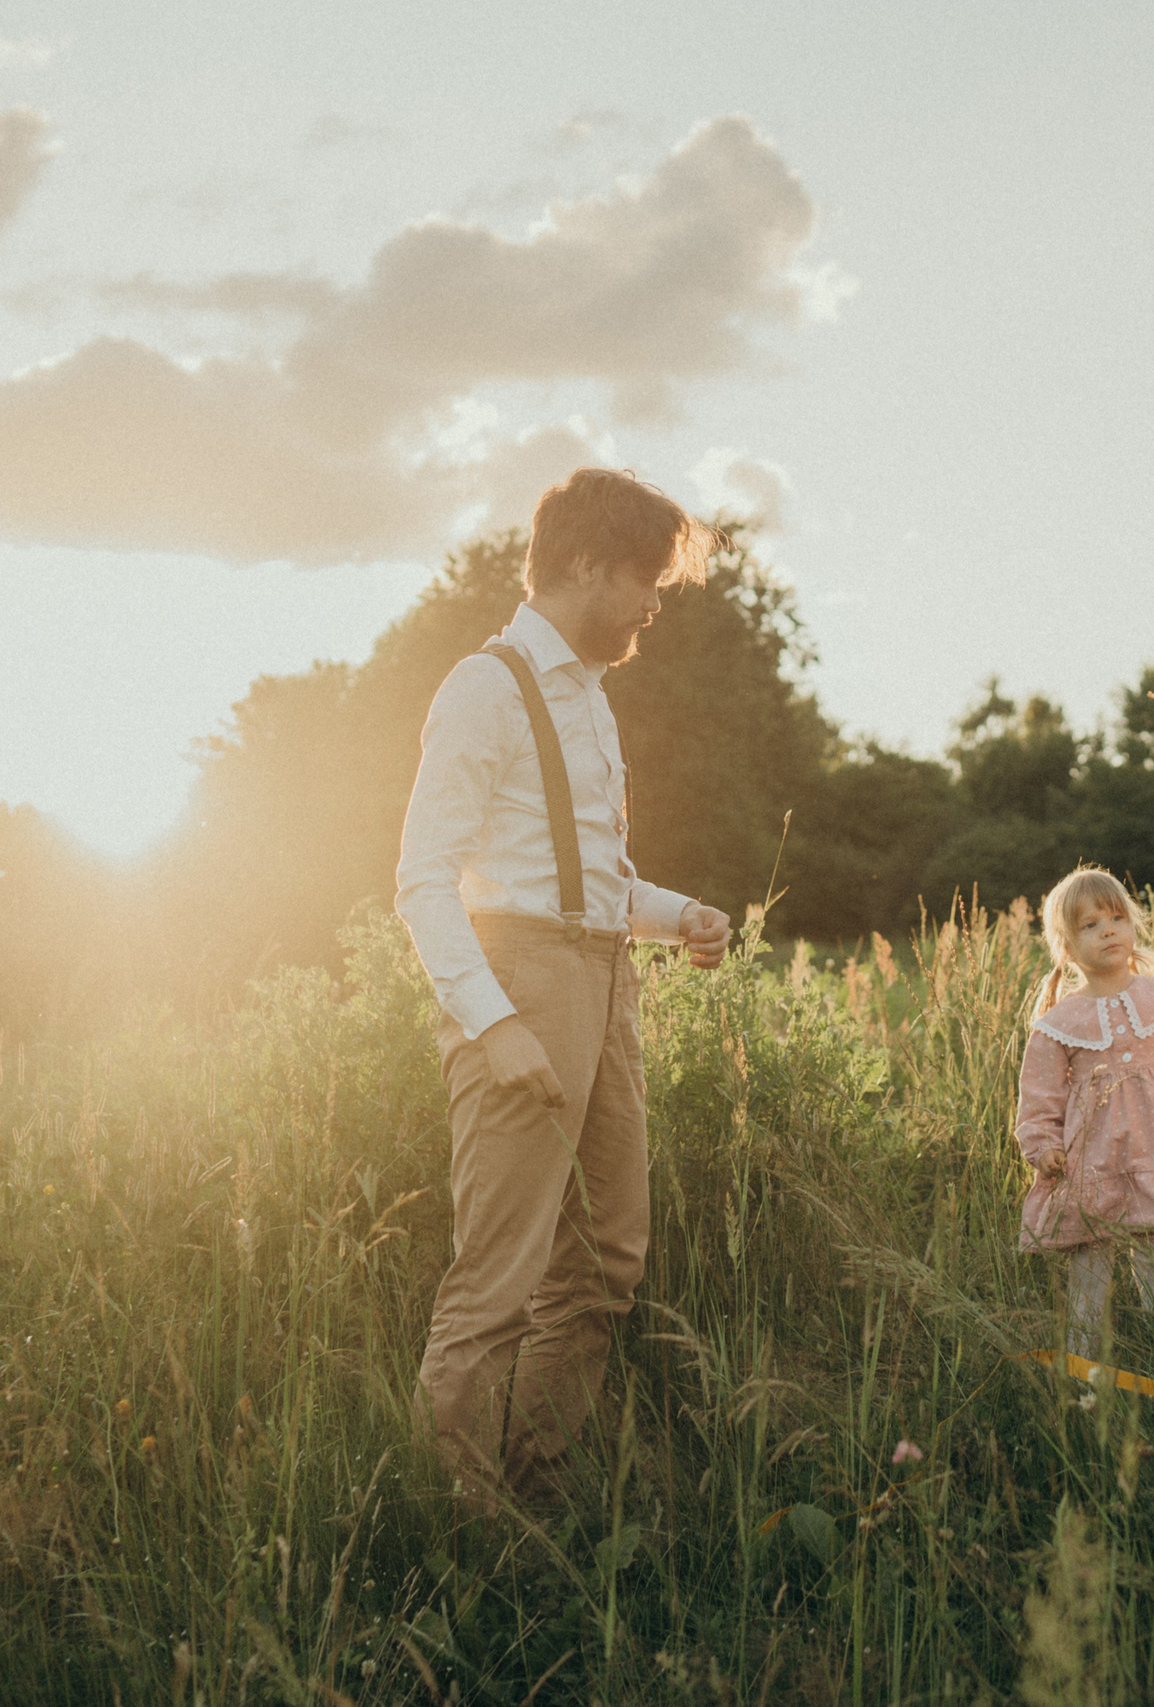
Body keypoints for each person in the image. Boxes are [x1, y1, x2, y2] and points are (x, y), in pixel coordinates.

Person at [395, 468, 735, 1506]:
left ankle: (533, 1486)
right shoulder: (484, 688)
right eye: (646, 580)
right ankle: (456, 1521)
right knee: (498, 1278)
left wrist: (681, 916)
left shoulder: (590, 699)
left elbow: (592, 883)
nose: (654, 606)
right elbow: (423, 882)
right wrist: (493, 1025)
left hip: (605, 976)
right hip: (520, 982)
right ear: (585, 564)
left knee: (605, 1262)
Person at [1016, 866, 1154, 1357]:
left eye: (1117, 918)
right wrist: (1043, 1147)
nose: (1108, 931)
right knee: (1089, 1273)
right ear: (1066, 947)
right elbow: (1039, 1097)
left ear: (1133, 925)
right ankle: (1083, 1367)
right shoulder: (1057, 1023)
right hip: (1091, 1165)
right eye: (1090, 925)